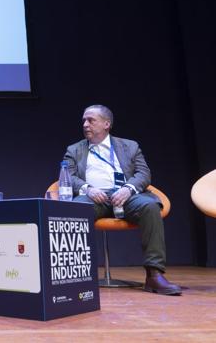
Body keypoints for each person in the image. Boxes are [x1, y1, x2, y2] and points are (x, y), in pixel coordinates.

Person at [64, 104, 181, 295]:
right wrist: (88, 189)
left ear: (106, 124)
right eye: (84, 120)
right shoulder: (74, 149)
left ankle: (154, 275)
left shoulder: (130, 146)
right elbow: (68, 176)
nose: (85, 124)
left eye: (91, 120)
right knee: (75, 210)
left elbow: (143, 173)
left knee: (150, 207)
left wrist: (128, 189)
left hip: (127, 197)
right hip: (94, 198)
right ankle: (76, 276)